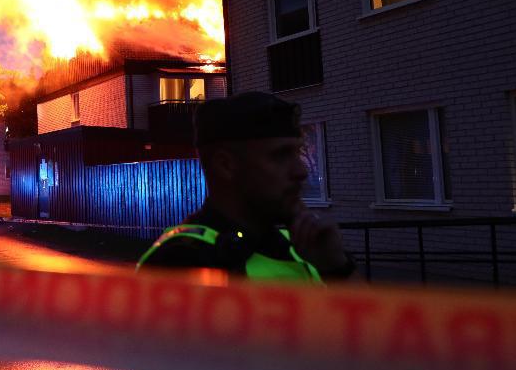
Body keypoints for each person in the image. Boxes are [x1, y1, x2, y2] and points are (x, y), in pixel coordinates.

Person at [137, 92, 354, 282]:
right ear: (226, 165)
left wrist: (337, 269)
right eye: (280, 155)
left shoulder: (303, 245)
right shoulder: (182, 261)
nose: (301, 171)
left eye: (297, 153)